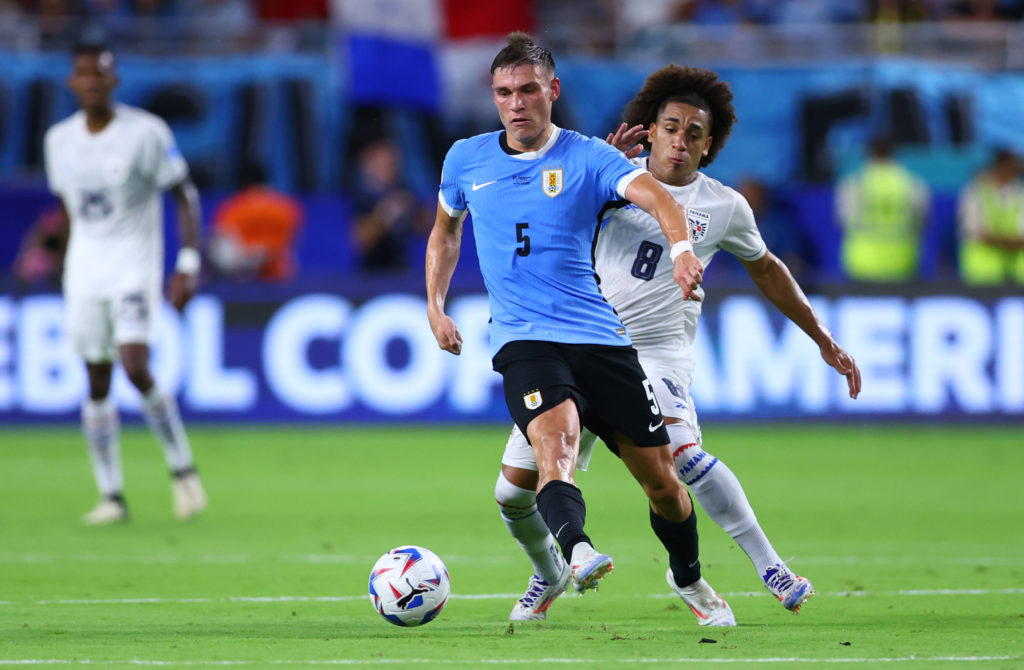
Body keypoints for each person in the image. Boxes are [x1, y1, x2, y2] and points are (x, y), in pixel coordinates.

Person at [497, 64, 861, 624]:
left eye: (694, 133)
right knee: (512, 492)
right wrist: (583, 173)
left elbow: (767, 270)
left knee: (682, 459)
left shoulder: (723, 207)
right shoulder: (609, 175)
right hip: (580, 344)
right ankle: (547, 571)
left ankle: (766, 566)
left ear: (708, 144)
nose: (680, 141)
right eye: (670, 127)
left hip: (658, 350)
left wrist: (822, 337)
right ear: (652, 128)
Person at [425, 33, 734, 626]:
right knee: (555, 449)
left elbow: (658, 198)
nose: (516, 104)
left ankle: (691, 579)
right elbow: (445, 232)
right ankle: (570, 557)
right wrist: (435, 305)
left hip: (600, 338)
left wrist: (680, 249)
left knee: (665, 485)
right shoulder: (465, 159)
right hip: (523, 340)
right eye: (504, 93)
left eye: (528, 90)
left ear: (553, 91)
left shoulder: (590, 156)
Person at [43, 41, 207, 525]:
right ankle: (111, 495)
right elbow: (69, 212)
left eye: (101, 75)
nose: (92, 82)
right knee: (96, 379)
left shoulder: (146, 133)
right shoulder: (58, 141)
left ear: (114, 82)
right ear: (73, 82)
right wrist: (61, 264)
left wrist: (188, 263)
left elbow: (186, 196)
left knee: (135, 366)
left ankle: (183, 470)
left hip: (134, 266)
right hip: (85, 273)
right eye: (83, 74)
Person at [835, 134, 929, 282]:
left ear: (868, 153)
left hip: (862, 263)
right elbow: (922, 222)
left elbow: (843, 221)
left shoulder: (855, 184)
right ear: (894, 152)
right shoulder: (911, 184)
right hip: (902, 262)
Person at [208, 164, 303, 282]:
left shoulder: (232, 208)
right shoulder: (287, 207)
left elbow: (222, 244)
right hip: (279, 276)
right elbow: (290, 241)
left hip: (242, 279)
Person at [350, 139, 431, 273]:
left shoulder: (403, 190)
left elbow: (426, 228)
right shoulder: (361, 195)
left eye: (393, 163)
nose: (390, 169)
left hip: (402, 271)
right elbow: (359, 241)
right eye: (385, 164)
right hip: (371, 277)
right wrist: (386, 214)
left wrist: (418, 215)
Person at [956, 147, 1024, 285]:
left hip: (1016, 275)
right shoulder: (975, 191)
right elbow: (974, 231)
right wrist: (1010, 242)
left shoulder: (1019, 193)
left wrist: (996, 238)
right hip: (981, 274)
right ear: (1000, 166)